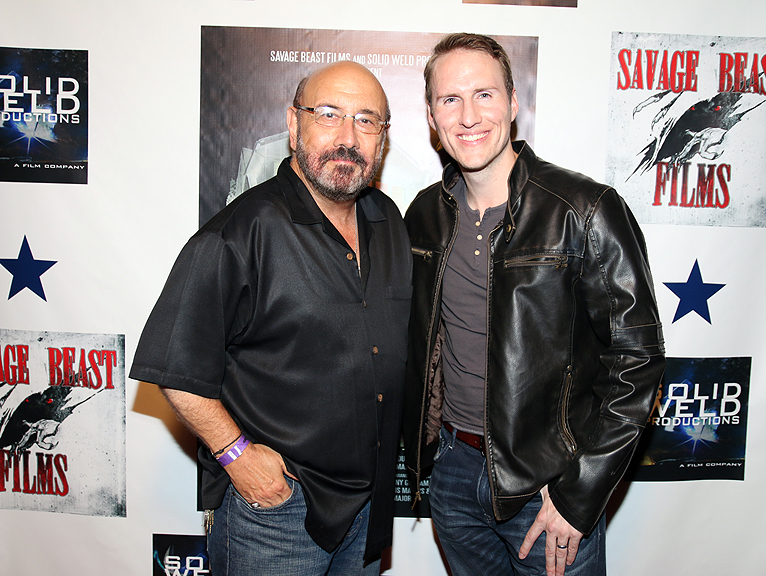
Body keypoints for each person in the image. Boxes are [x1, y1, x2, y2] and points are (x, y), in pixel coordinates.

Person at [130, 60, 412, 576]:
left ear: (383, 138)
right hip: (278, 515)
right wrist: (235, 453)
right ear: (292, 124)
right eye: (329, 114)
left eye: (366, 120)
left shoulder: (389, 221)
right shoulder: (238, 233)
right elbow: (173, 368)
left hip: (368, 508)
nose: (348, 136)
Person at [403, 33, 665, 576]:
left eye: (485, 95)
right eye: (450, 100)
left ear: (514, 103)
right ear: (431, 116)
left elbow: (637, 360)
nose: (469, 116)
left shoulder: (584, 208)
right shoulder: (424, 214)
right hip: (452, 475)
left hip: (548, 485)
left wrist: (580, 490)